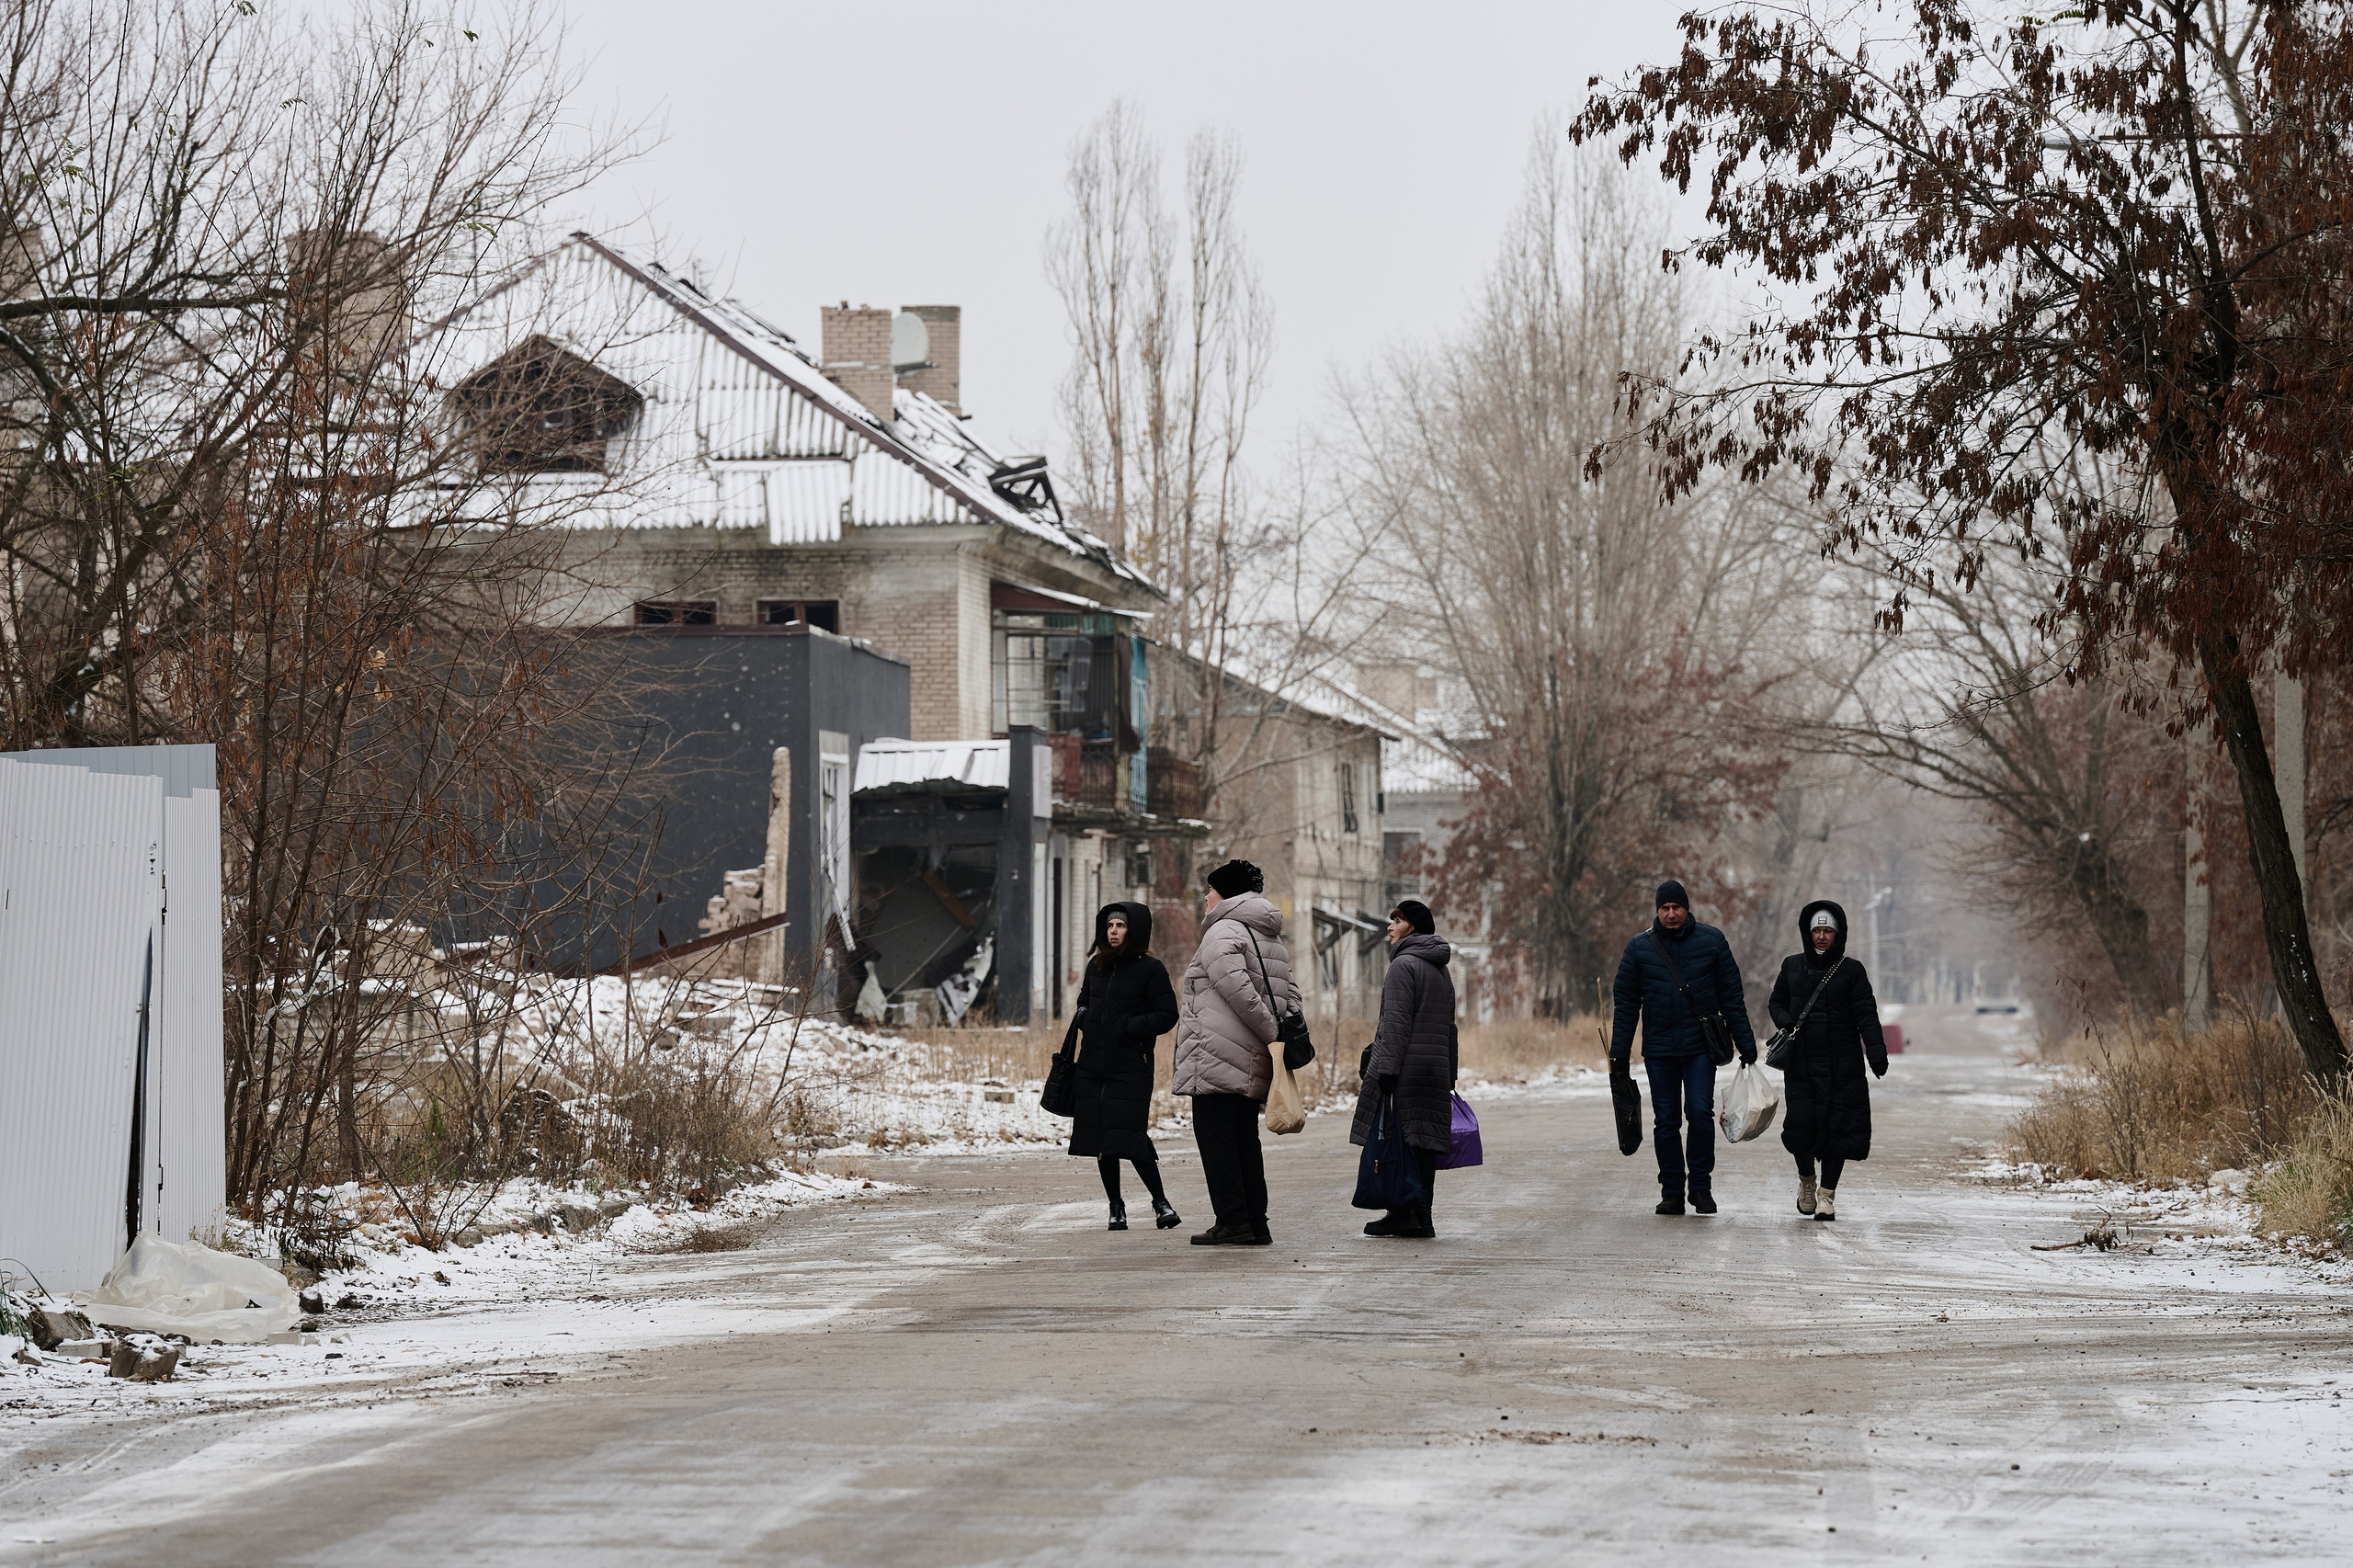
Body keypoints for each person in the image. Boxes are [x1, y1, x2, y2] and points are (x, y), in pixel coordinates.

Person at [1608, 879, 1756, 1216]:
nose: (1671, 914)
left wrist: (1745, 1042)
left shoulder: (1712, 941)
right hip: (1659, 1049)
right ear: (1657, 911)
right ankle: (1672, 1191)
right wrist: (1618, 1053)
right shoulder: (1638, 948)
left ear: (1687, 908)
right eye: (1664, 908)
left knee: (1700, 1114)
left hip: (1699, 1048)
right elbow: (1627, 1004)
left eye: (1676, 907)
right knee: (1666, 1120)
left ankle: (1701, 1188)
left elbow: (1732, 997)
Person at [1173, 858, 1298, 1247]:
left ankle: (1232, 1221)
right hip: (1251, 1056)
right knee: (1244, 1139)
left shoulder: (1223, 930)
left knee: (1218, 1140)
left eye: (1211, 889)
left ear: (1225, 892)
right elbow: (1289, 993)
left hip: (1215, 1055)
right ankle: (1254, 1222)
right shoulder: (1269, 934)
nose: (1206, 897)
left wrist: (1269, 1029)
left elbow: (1238, 990)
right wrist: (1277, 1034)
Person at [1768, 901, 1889, 1222]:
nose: (1821, 936)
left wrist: (1876, 1051)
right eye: (1817, 931)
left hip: (1843, 1063)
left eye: (1828, 931)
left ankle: (1827, 1196)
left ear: (1839, 934)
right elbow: (1776, 1001)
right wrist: (1785, 1021)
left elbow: (1866, 1013)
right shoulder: (1791, 966)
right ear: (1808, 933)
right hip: (1802, 1064)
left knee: (1839, 1129)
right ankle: (1807, 1181)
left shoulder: (1852, 971)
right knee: (1801, 1128)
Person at [1066, 901, 1182, 1232]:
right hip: (1092, 1065)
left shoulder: (1151, 969)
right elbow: (1084, 1003)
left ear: (1136, 930)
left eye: (1121, 926)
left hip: (1131, 1067)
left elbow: (1167, 1015)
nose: (1113, 931)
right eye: (1110, 926)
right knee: (1103, 1139)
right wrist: (1087, 1018)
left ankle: (1160, 1202)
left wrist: (1129, 1027)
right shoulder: (1096, 966)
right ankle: (1116, 1207)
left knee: (1130, 1135)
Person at [1348, 899, 1458, 1239]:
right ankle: (1422, 1217)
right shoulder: (1440, 967)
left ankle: (1402, 1212)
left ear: (1412, 927)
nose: (1390, 927)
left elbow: (1395, 1024)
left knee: (1400, 1139)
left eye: (1397, 921)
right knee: (1424, 1141)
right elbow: (1449, 1026)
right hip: (1435, 1066)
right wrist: (1450, 1071)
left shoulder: (1403, 965)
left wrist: (1386, 1071)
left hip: (1407, 1066)